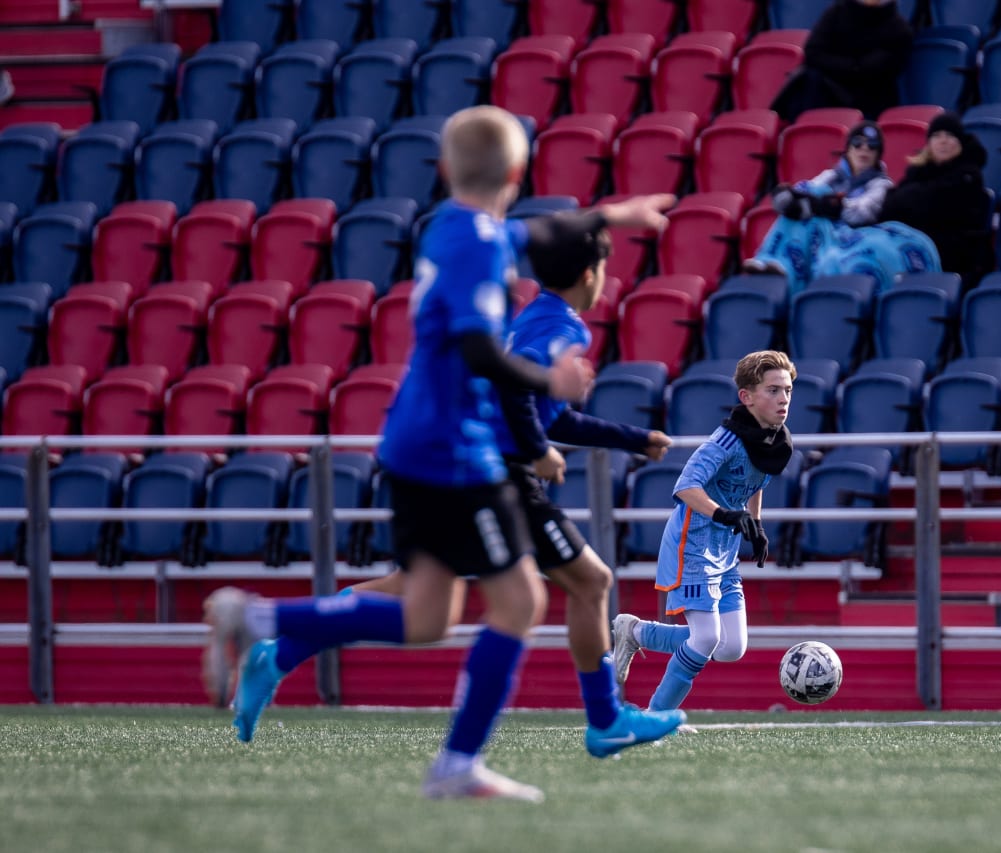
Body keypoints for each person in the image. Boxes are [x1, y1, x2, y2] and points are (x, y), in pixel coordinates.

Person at [201, 105, 679, 803]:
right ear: (517, 173)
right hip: (454, 450)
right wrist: (551, 381)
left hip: (416, 440)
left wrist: (608, 214)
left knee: (428, 616)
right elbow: (482, 351)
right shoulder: (485, 250)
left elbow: (535, 232)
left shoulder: (452, 227)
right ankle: (457, 760)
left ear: (445, 170)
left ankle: (259, 621)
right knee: (519, 599)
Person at [611, 350, 795, 712]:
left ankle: (635, 632)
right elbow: (685, 486)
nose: (784, 399)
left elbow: (756, 479)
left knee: (730, 647)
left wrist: (755, 524)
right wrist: (726, 515)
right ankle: (657, 715)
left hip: (723, 553)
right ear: (747, 396)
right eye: (773, 390)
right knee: (707, 637)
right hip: (692, 545)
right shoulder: (725, 442)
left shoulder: (773, 439)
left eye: (788, 390)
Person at [744, 121, 897, 291]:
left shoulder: (881, 184)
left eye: (872, 146)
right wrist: (792, 198)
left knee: (811, 202)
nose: (864, 149)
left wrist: (827, 206)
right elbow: (810, 195)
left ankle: (788, 270)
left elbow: (861, 213)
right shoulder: (831, 176)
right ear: (848, 147)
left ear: (878, 154)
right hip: (823, 233)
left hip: (851, 241)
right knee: (804, 195)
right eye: (858, 143)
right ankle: (768, 261)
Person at [876, 111, 993, 287]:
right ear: (929, 144)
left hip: (956, 255)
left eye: (950, 135)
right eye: (937, 135)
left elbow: (934, 206)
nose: (943, 140)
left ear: (961, 142)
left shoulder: (968, 177)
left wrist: (910, 200)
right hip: (914, 247)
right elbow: (889, 207)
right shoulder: (917, 172)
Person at [770, 0, 913, 122]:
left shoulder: (899, 30)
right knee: (809, 80)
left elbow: (873, 70)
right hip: (826, 88)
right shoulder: (836, 13)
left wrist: (842, 65)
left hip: (870, 100)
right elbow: (813, 52)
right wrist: (852, 66)